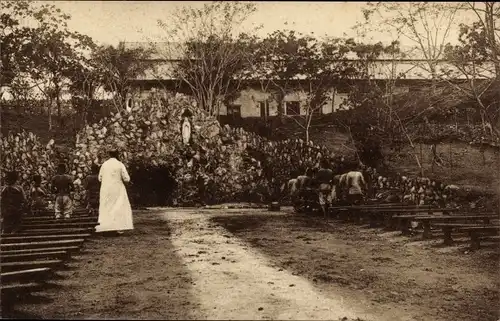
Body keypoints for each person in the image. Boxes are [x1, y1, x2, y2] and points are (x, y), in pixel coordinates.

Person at [97, 149, 133, 235]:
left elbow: (99, 178)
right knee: (118, 207)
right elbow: (127, 179)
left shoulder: (104, 165)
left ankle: (106, 227)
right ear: (117, 155)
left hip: (106, 189)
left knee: (106, 207)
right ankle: (118, 227)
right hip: (117, 188)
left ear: (109, 155)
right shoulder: (120, 164)